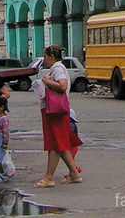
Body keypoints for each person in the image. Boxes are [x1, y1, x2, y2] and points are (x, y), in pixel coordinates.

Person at [33, 44, 82, 188]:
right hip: (56, 111)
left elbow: (62, 85)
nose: (44, 59)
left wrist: (47, 81)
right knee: (59, 144)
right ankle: (73, 173)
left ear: (52, 57)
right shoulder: (58, 68)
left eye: (45, 56)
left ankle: (50, 177)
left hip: (55, 111)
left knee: (57, 144)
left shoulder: (57, 68)